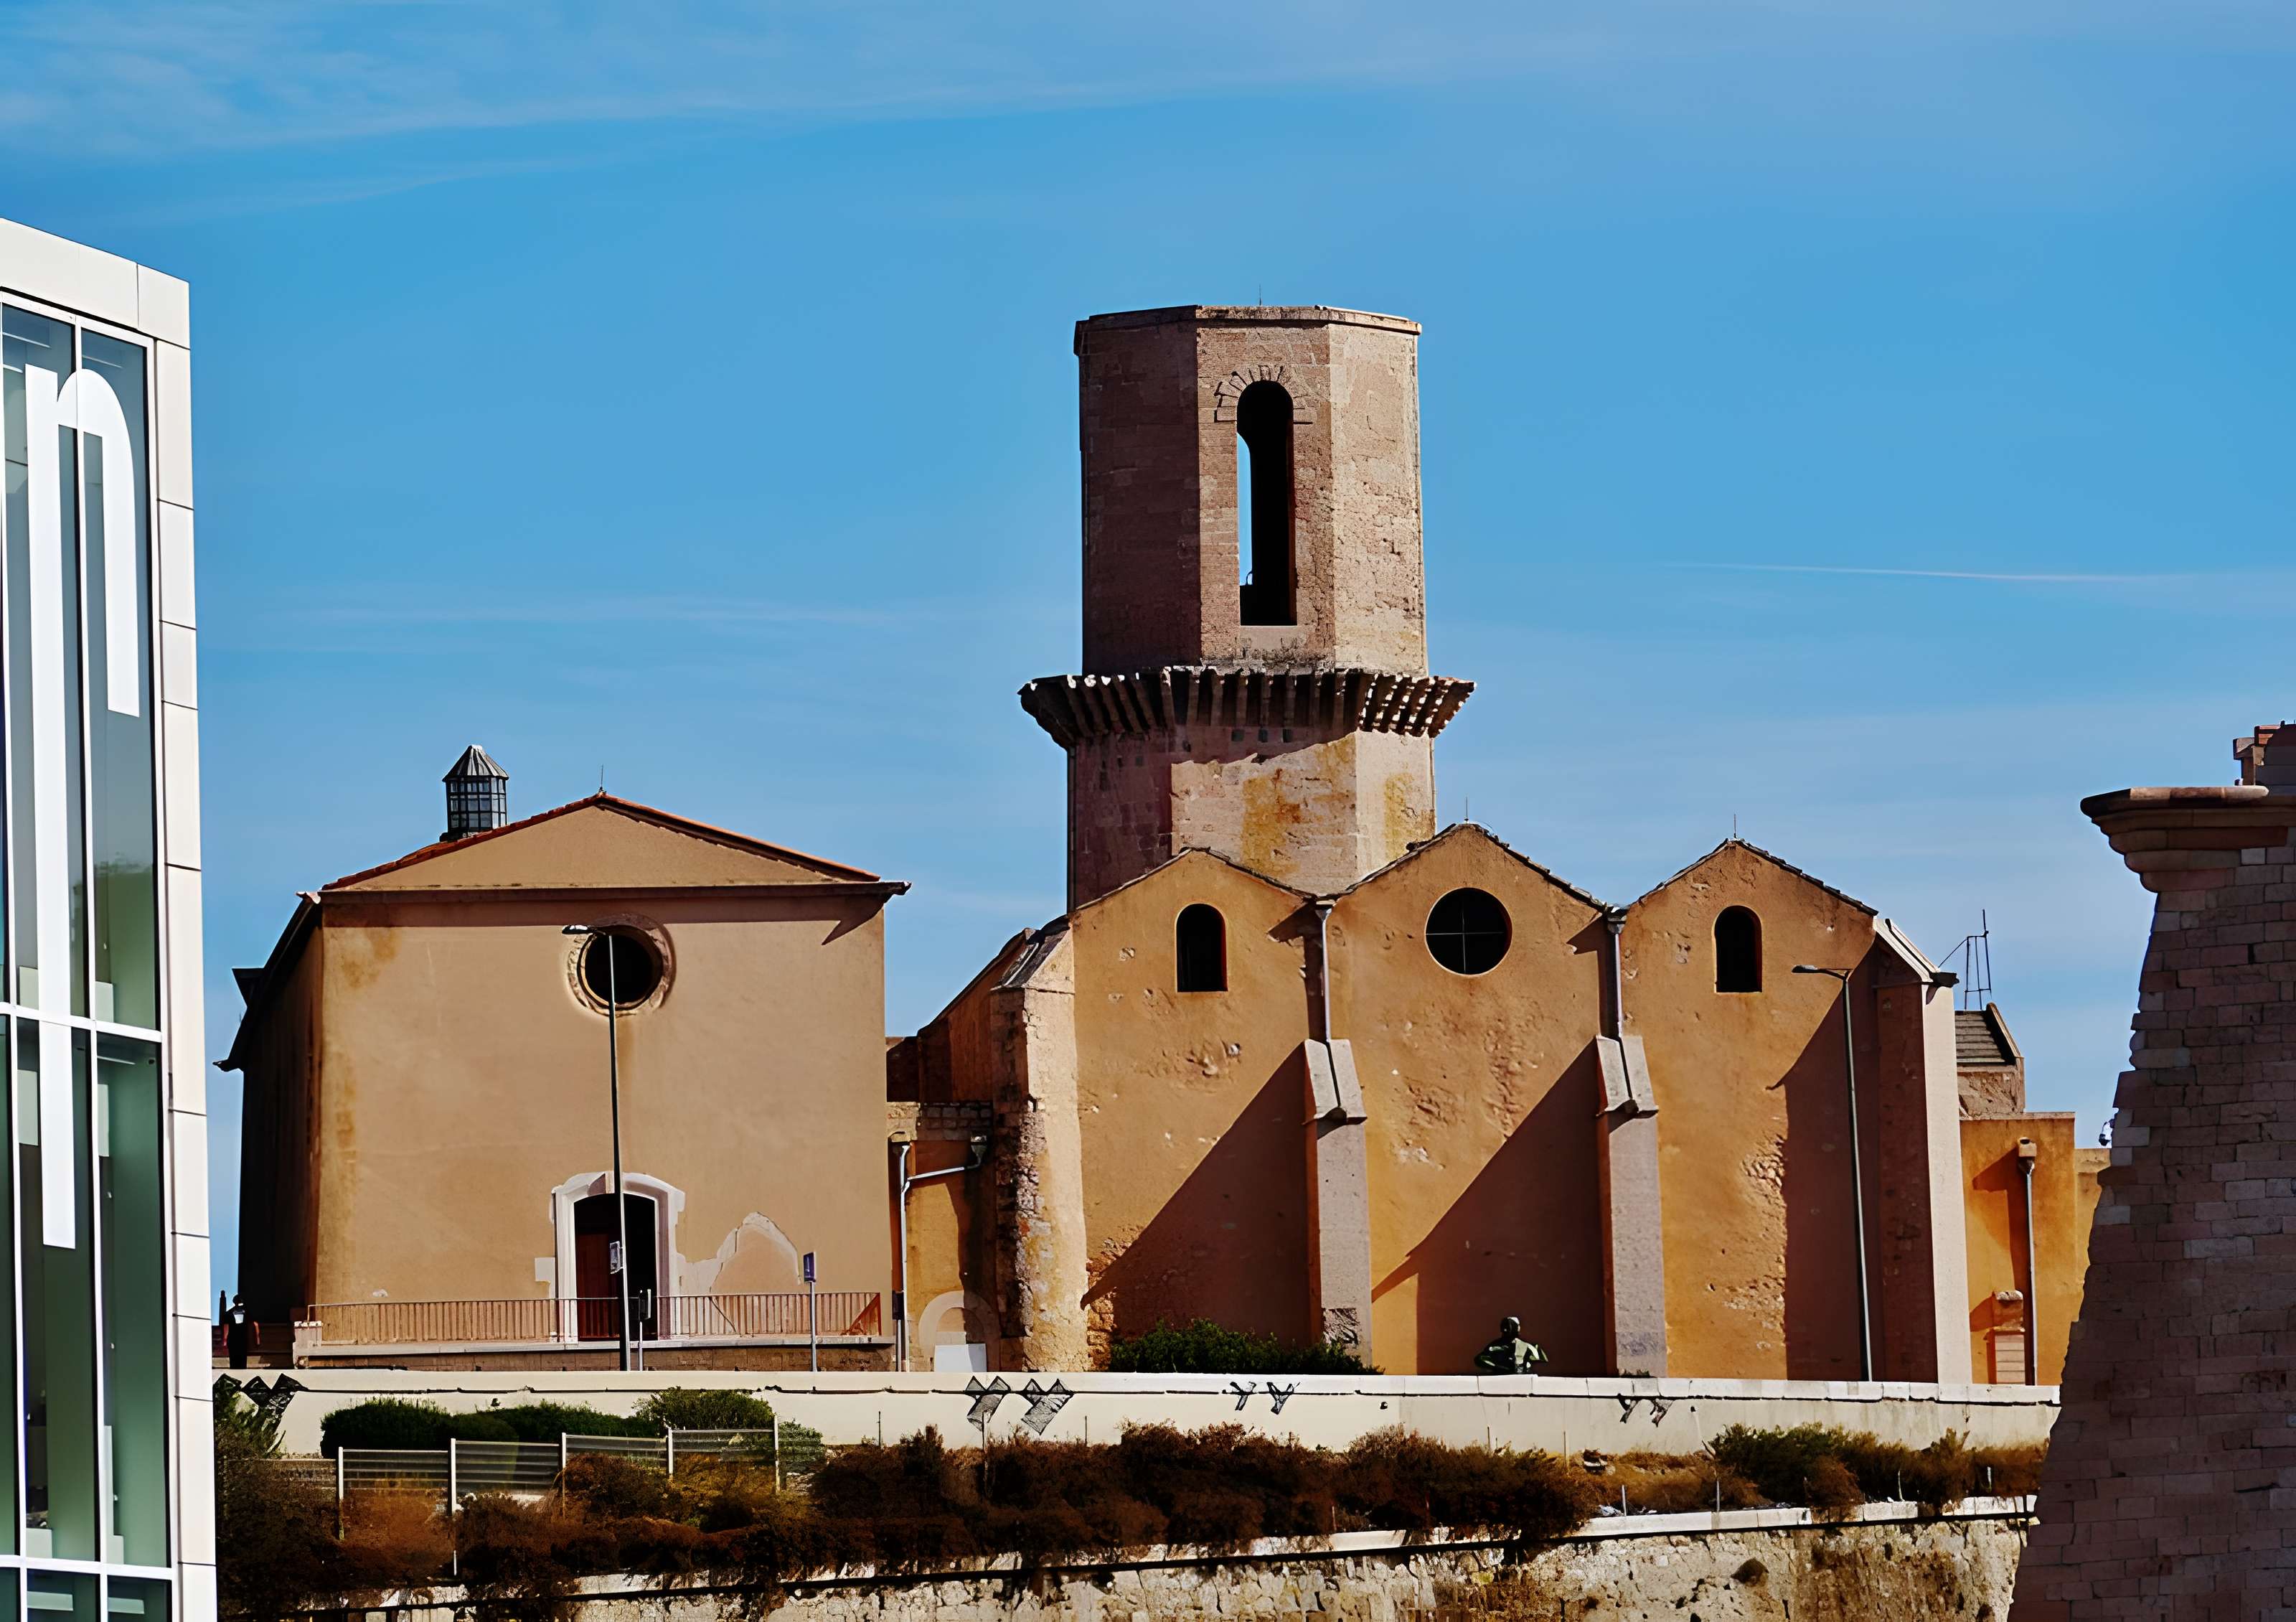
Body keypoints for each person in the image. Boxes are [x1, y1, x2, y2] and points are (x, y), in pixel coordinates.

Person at [1472, 1314, 1547, 1374]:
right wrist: (1500, 1367)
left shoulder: (1527, 1347)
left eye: (1510, 1327)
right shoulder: (1493, 1347)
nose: (1507, 1330)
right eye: (1506, 1327)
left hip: (1523, 1382)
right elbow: (1480, 1359)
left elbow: (1538, 1357)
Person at [225, 1293, 252, 1370]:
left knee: (234, 1357)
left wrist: (225, 1339)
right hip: (242, 1337)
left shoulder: (229, 1313)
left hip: (234, 1337)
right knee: (242, 1356)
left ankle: (235, 1368)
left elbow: (226, 1327)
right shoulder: (248, 1313)